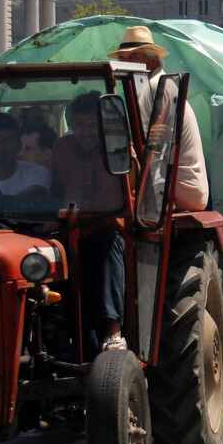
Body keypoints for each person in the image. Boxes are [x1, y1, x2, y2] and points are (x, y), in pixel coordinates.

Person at [51, 92, 130, 351]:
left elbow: (130, 198)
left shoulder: (121, 150)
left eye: (93, 124)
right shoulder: (61, 149)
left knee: (106, 246)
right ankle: (62, 335)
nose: (86, 131)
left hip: (108, 230)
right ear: (71, 123)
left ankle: (113, 332)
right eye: (81, 124)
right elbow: (53, 192)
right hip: (71, 231)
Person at [108, 25, 209, 211]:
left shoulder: (155, 88)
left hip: (179, 188)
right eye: (122, 58)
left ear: (153, 61)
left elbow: (147, 146)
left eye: (134, 57)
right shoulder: (155, 85)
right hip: (179, 184)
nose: (126, 62)